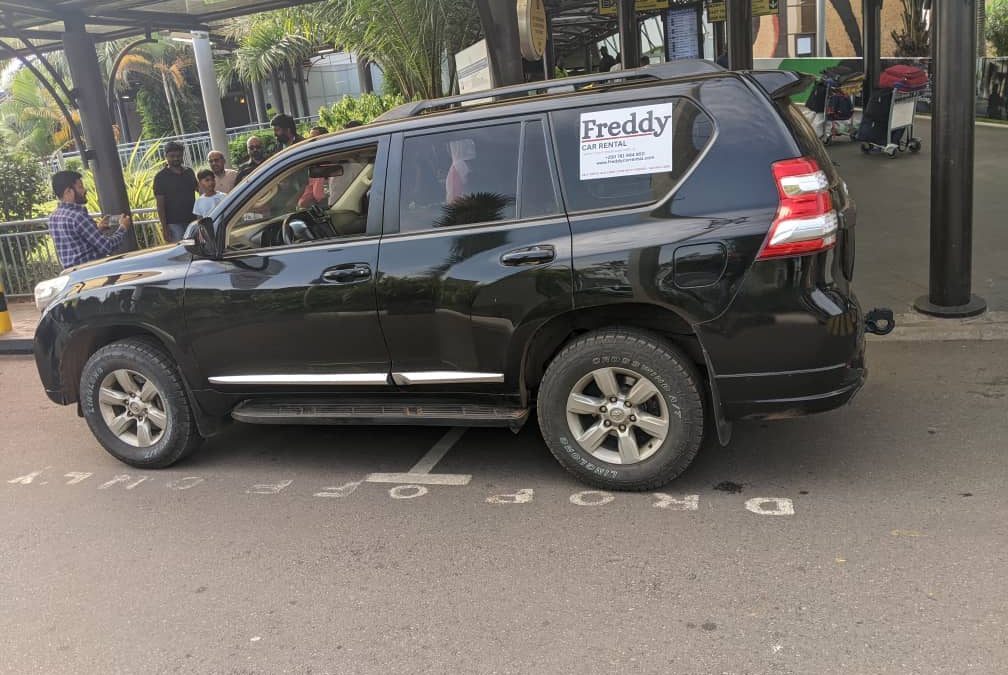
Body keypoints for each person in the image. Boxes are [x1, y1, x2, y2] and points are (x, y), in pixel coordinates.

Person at [48, 170, 131, 268]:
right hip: (92, 271)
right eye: (80, 187)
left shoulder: (53, 217)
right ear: (68, 191)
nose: (84, 190)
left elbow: (76, 243)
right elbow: (107, 247)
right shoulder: (78, 216)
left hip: (73, 274)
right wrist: (123, 227)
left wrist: (98, 229)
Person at [153, 141, 198, 242]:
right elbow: (160, 205)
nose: (176, 158)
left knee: (196, 250)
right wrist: (165, 228)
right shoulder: (160, 177)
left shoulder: (189, 172)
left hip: (193, 221)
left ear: (182, 156)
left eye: (179, 155)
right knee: (180, 253)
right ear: (166, 156)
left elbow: (201, 191)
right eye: (172, 156)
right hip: (174, 224)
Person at [297, 127, 329, 208]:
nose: (311, 142)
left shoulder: (334, 161)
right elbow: (309, 191)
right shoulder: (314, 165)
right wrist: (302, 202)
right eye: (310, 138)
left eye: (314, 139)